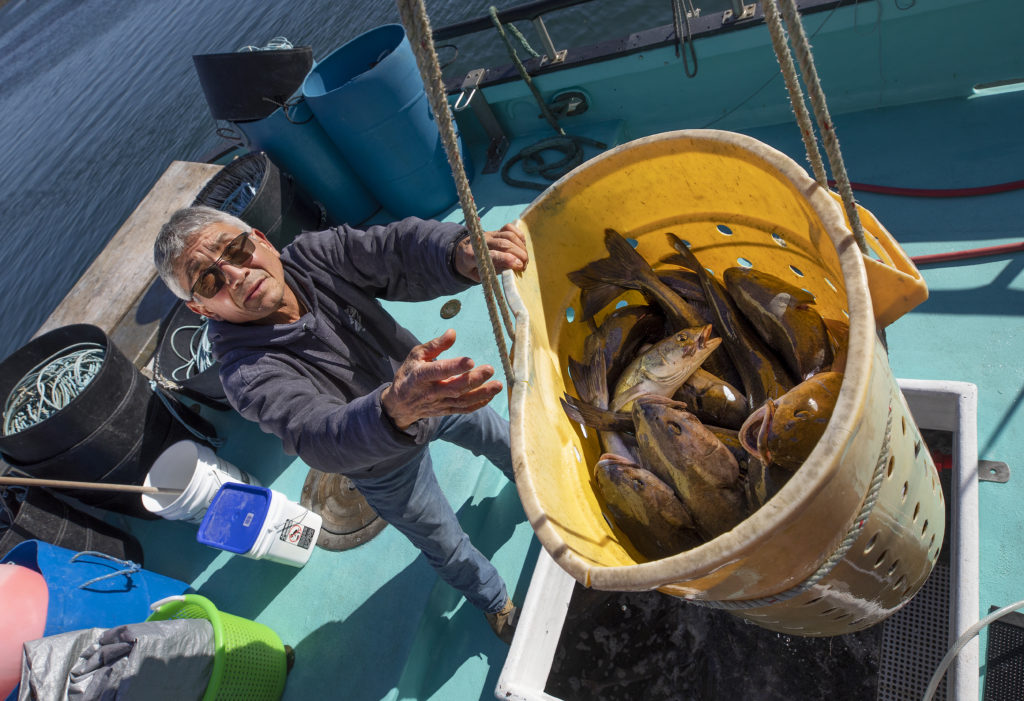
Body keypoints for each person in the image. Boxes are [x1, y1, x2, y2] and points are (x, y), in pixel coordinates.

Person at [153, 205, 529, 643]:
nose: (236, 275)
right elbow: (316, 434)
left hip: (434, 395)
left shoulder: (315, 253)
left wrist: (457, 251)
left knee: (508, 442)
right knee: (445, 544)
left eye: (235, 250)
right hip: (380, 463)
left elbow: (394, 250)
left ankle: (536, 490)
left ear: (261, 239)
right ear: (203, 310)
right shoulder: (245, 374)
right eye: (210, 281)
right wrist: (393, 408)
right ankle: (495, 600)